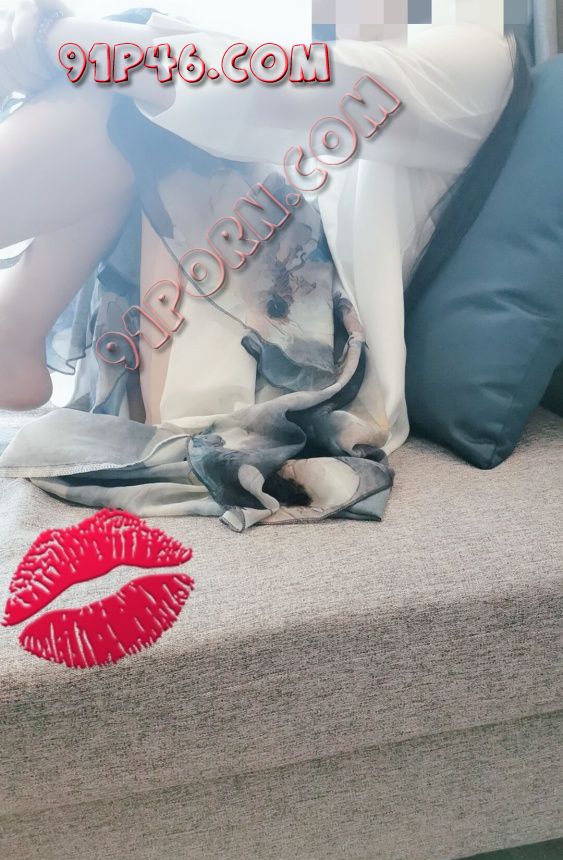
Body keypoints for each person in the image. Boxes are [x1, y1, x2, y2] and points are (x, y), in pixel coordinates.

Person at [0, 3, 531, 529]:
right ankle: (15, 328)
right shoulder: (388, 60)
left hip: (290, 370)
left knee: (135, 73)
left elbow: (255, 84)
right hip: (228, 319)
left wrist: (51, 37)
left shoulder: (474, 56)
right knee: (128, 66)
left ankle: (15, 326)